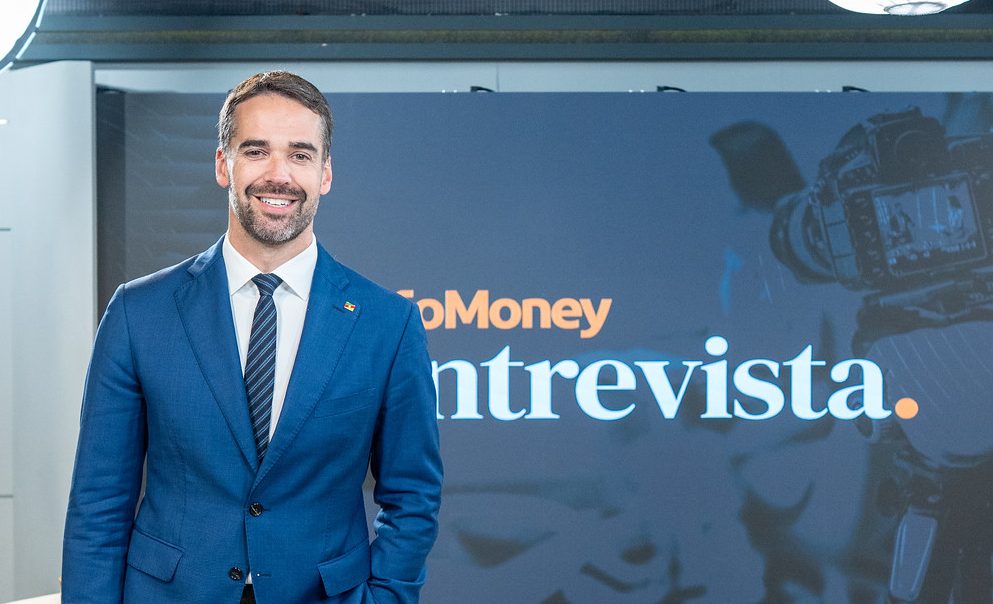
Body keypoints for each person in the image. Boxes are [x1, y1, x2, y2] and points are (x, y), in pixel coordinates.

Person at [61, 71, 443, 604]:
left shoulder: (388, 323)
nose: (278, 174)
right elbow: (99, 501)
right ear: (224, 164)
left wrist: (385, 598)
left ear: (325, 173)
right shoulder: (138, 312)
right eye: (256, 150)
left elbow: (413, 495)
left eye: (300, 154)